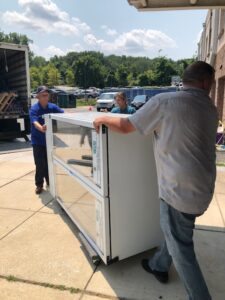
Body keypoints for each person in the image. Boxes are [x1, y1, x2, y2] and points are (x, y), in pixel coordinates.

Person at [93, 61, 218, 300]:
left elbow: (128, 125)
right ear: (204, 82)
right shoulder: (210, 108)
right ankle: (159, 265)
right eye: (212, 83)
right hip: (201, 189)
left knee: (182, 249)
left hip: (179, 192)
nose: (211, 87)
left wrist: (102, 120)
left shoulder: (166, 102)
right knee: (177, 232)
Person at [29, 86, 64, 194]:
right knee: (40, 164)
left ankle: (50, 182)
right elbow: (35, 123)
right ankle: (39, 184)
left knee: (50, 163)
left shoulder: (53, 107)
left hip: (50, 141)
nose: (46, 97)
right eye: (43, 95)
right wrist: (42, 128)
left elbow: (64, 115)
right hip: (38, 142)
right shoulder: (34, 109)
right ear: (38, 96)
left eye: (47, 95)